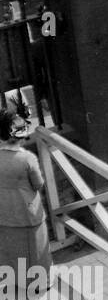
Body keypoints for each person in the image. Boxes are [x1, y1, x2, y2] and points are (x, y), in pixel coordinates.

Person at [0, 106, 51, 270]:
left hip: (5, 212)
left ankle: (18, 279)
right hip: (29, 212)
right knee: (36, 248)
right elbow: (38, 184)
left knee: (14, 249)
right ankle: (40, 282)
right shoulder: (27, 158)